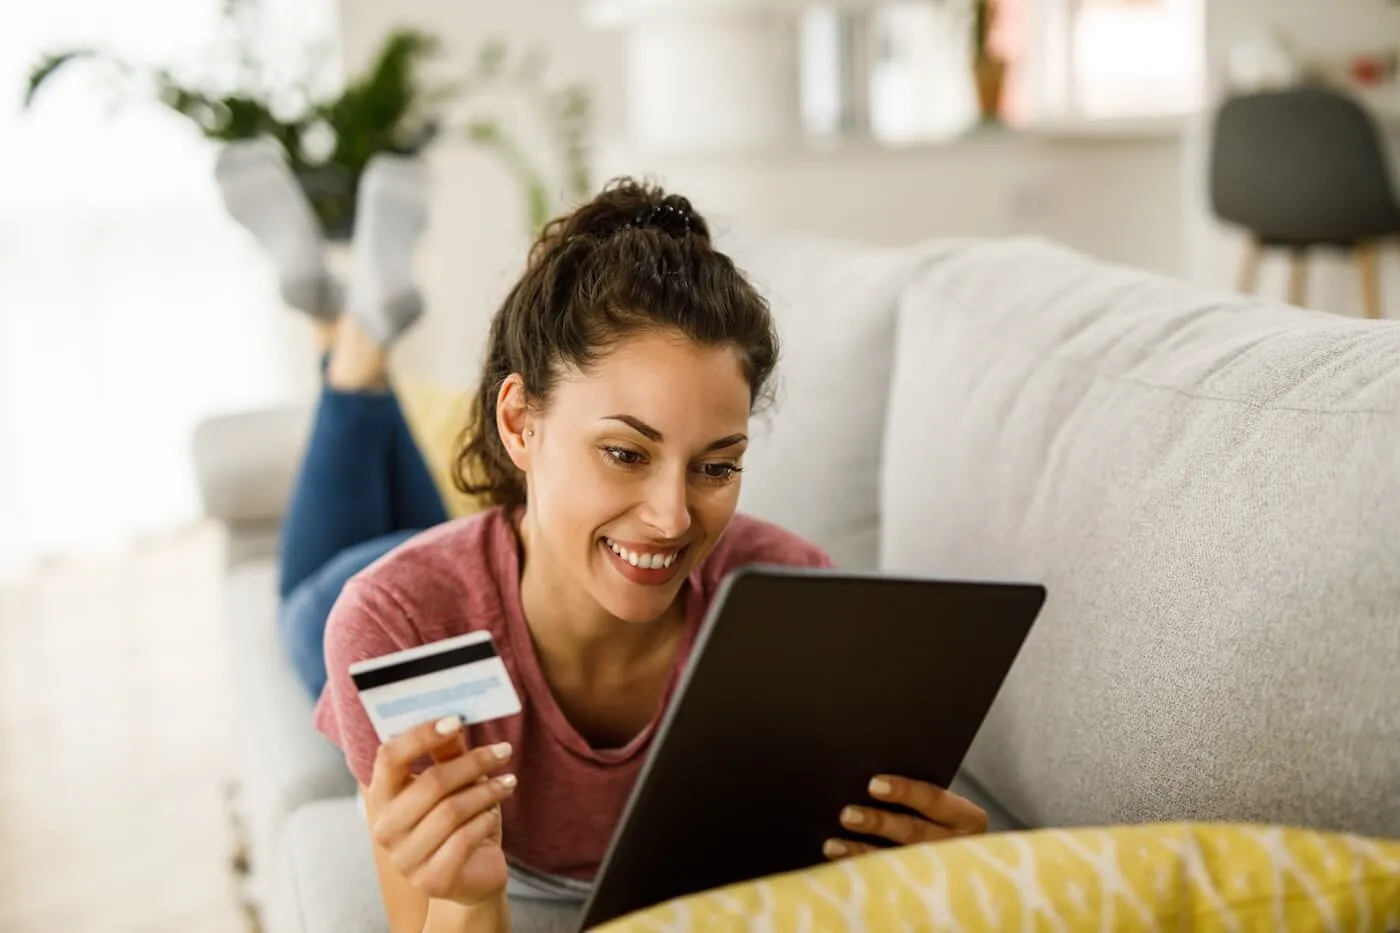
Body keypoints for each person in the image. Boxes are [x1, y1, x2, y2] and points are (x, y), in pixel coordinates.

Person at [217, 147, 988, 933]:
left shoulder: (791, 594)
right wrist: (470, 898)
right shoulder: (394, 623)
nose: (673, 518)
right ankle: (345, 348)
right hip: (353, 591)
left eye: (716, 466)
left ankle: (348, 338)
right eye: (626, 453)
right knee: (311, 583)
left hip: (509, 543)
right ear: (519, 421)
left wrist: (948, 885)